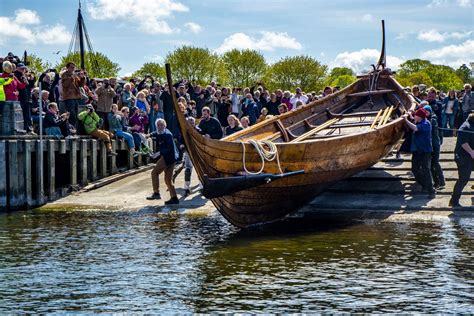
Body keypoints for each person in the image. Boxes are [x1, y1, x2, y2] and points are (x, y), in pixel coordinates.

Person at [403, 108, 436, 199]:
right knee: (414, 169)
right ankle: (424, 184)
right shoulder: (419, 121)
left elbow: (415, 128)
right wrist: (409, 115)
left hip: (425, 151)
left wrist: (405, 120)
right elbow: (414, 121)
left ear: (420, 117)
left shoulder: (426, 124)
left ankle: (431, 190)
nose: (414, 117)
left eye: (416, 115)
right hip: (417, 151)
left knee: (426, 170)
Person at [147, 118, 179, 204]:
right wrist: (149, 135)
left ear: (165, 126)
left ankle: (156, 193)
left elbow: (169, 148)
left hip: (168, 157)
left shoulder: (168, 134)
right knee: (168, 180)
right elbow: (156, 134)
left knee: (154, 173)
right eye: (158, 125)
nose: (160, 127)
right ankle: (174, 198)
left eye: (162, 125)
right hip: (172, 158)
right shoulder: (161, 132)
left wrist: (158, 153)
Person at [450, 113, 474, 207]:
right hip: (463, 156)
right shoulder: (465, 127)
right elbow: (463, 143)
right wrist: (471, 152)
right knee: (463, 179)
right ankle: (454, 200)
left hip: (470, 155)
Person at [424, 105, 445, 190]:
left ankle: (440, 182)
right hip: (432, 145)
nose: (425, 113)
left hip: (435, 145)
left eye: (426, 111)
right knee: (433, 164)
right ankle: (439, 182)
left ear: (430, 111)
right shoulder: (429, 119)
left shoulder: (432, 120)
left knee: (435, 163)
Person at [61, 62, 85, 128]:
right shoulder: (64, 74)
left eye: (74, 67)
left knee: (75, 114)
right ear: (67, 68)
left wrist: (82, 78)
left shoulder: (75, 76)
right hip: (68, 97)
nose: (73, 69)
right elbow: (65, 84)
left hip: (76, 97)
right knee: (71, 114)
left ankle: (73, 129)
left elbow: (80, 85)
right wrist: (72, 78)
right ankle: (70, 129)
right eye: (71, 67)